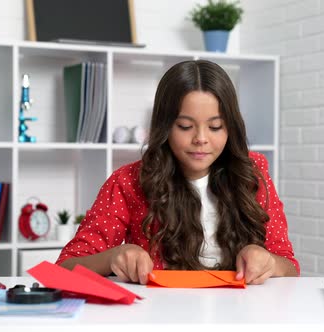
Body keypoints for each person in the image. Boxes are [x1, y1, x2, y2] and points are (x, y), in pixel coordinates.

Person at [56, 60, 299, 285]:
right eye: (185, 126)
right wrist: (113, 257)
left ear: (230, 127)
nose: (201, 139)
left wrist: (268, 261)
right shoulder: (127, 181)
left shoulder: (252, 173)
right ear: (165, 126)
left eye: (215, 127)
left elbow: (289, 265)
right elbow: (65, 267)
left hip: (239, 315)